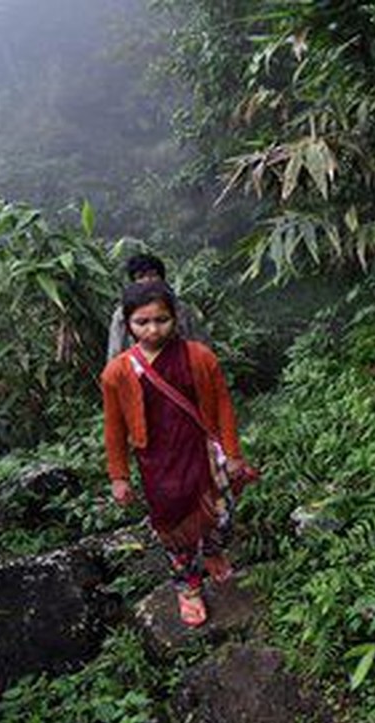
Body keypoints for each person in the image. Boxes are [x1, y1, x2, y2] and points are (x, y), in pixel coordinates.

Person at [100, 280, 254, 626]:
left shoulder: (200, 357)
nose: (153, 329)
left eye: (161, 320)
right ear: (128, 324)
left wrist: (232, 452)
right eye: (142, 322)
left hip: (202, 450)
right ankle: (188, 588)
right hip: (158, 463)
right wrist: (119, 476)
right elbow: (114, 427)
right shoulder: (117, 372)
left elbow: (224, 405)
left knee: (223, 512)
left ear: (175, 319)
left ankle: (213, 550)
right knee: (173, 526)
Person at [106, 253, 207, 361]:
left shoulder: (181, 309)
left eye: (153, 275)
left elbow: (199, 343)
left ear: (162, 278)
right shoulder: (123, 313)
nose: (148, 280)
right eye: (141, 277)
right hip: (137, 370)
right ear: (133, 282)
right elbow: (116, 351)